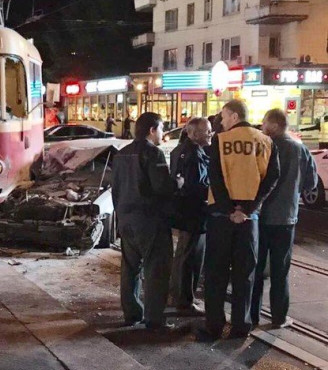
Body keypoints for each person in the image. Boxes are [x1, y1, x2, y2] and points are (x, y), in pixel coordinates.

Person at [199, 100, 280, 341]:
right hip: (249, 218)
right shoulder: (266, 142)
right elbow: (272, 178)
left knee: (216, 272)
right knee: (245, 274)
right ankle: (240, 326)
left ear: (234, 116)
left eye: (224, 116)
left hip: (221, 216)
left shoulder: (220, 140)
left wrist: (228, 209)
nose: (222, 121)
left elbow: (215, 176)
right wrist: (248, 209)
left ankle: (214, 325)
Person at [112, 112, 183, 330]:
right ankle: (154, 319)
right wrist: (178, 183)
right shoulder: (153, 153)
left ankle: (132, 313)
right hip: (150, 221)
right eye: (161, 128)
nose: (163, 133)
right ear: (152, 130)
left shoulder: (121, 154)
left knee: (130, 269)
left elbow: (116, 189)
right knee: (156, 270)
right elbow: (162, 187)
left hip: (126, 219)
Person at [251, 109, 317, 329]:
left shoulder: (264, 146)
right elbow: (310, 184)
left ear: (275, 126)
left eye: (264, 123)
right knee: (281, 270)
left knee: (256, 268)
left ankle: (252, 315)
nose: (262, 127)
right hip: (286, 218)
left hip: (260, 217)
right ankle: (279, 317)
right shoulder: (300, 149)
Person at [169, 117, 212, 314]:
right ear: (193, 134)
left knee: (183, 255)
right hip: (194, 213)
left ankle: (178, 295)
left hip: (185, 212)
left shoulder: (181, 150)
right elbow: (197, 186)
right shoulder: (194, 154)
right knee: (191, 258)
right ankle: (185, 301)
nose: (210, 134)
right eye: (206, 131)